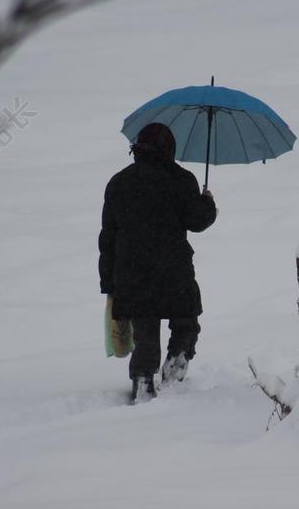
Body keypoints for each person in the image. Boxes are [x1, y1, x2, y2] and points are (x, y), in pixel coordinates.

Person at [98, 122, 217, 403]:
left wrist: (108, 282)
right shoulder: (182, 179)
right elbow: (197, 221)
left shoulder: (119, 182)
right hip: (173, 270)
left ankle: (142, 380)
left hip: (132, 273)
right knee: (186, 321)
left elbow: (108, 236)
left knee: (146, 332)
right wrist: (207, 202)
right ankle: (177, 358)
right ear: (169, 148)